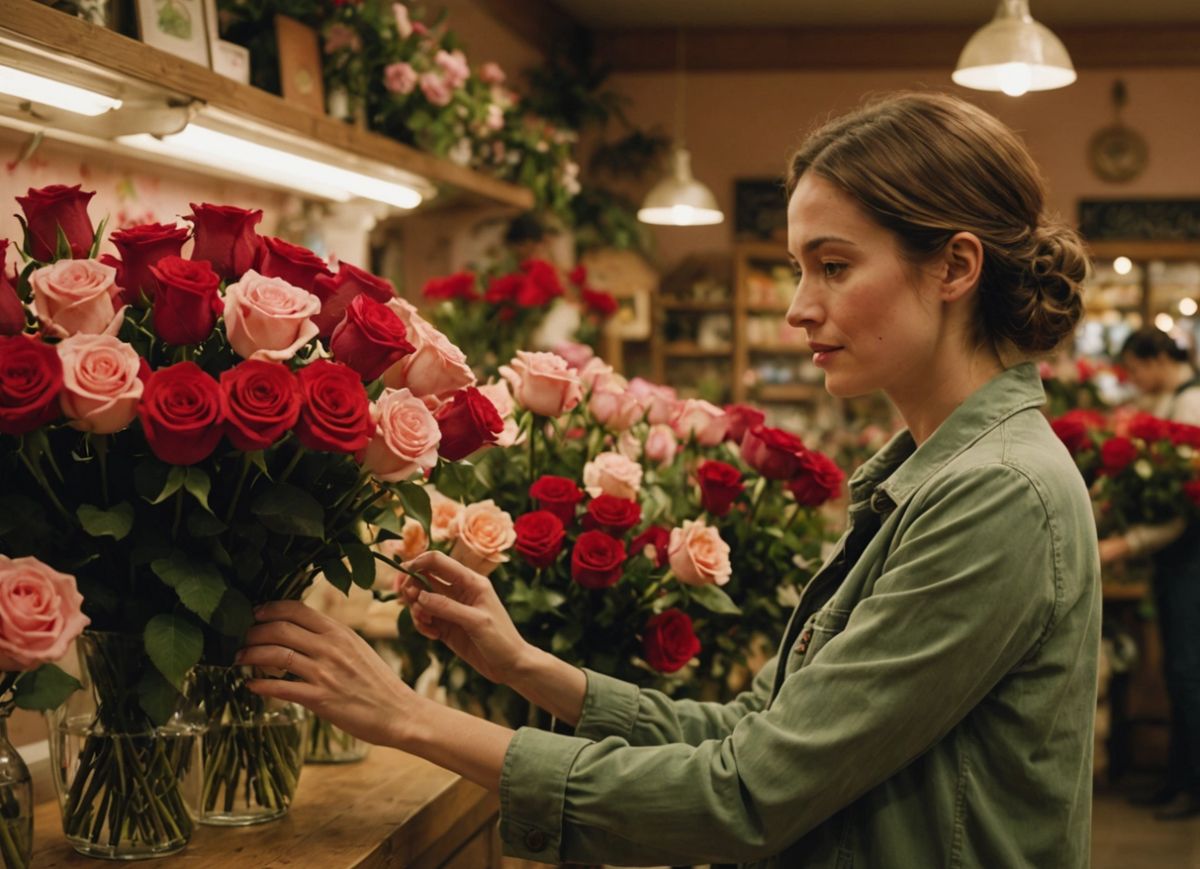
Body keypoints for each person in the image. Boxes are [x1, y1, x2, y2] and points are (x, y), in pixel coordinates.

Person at [240, 92, 1101, 867]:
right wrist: (528, 666)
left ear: (954, 267)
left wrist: (410, 717)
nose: (800, 305)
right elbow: (757, 735)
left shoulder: (996, 493)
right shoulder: (937, 474)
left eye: (833, 266)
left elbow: (744, 794)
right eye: (801, 267)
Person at [1098, 327, 1200, 820]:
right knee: (1179, 670)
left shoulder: (1191, 402)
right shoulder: (1169, 401)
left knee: (1186, 671)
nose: (1134, 380)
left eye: (1136, 368)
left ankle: (1191, 785)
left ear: (1159, 357)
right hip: (1175, 558)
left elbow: (1182, 502)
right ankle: (1176, 779)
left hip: (1191, 557)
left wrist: (1126, 543)